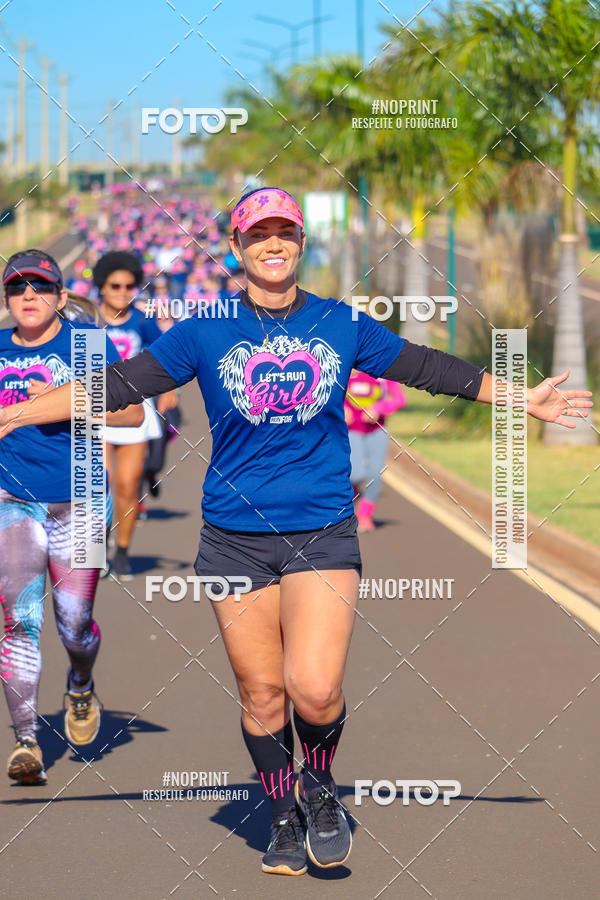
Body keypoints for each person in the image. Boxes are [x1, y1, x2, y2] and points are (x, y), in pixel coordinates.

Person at [1, 191, 592, 871]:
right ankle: (283, 810)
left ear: (301, 242)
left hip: (321, 531)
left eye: (285, 232)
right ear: (237, 246)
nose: (272, 244)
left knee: (314, 689)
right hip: (231, 538)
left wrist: (522, 396)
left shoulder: (339, 323)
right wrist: (14, 415)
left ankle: (321, 786)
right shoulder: (203, 330)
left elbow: (426, 368)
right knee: (261, 694)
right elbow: (112, 386)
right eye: (259, 235)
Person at [0, 248, 142, 785]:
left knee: (74, 623)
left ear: (61, 297)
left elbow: (133, 410)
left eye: (40, 287)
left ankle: (80, 682)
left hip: (80, 499)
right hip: (12, 502)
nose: (28, 296)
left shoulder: (85, 347)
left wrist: (69, 401)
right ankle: (27, 740)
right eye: (17, 288)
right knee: (19, 620)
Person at [93, 251, 177, 580]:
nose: (123, 292)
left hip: (135, 412)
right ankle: (97, 548)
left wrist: (171, 388)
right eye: (115, 285)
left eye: (130, 286)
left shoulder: (141, 321)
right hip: (96, 412)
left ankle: (123, 551)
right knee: (99, 484)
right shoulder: (87, 321)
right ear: (101, 286)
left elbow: (169, 352)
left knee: (128, 487)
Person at [345, 370, 406, 531]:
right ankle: (353, 492)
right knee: (356, 473)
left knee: (374, 474)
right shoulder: (343, 369)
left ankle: (365, 516)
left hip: (377, 430)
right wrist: (342, 409)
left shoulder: (381, 373)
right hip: (351, 431)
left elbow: (399, 399)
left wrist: (379, 408)